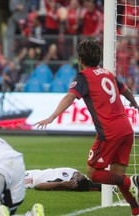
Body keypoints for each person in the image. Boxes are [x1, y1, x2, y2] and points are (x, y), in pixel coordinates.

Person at [35, 40, 139, 216]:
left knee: (93, 172)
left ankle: (132, 182)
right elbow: (126, 90)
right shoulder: (108, 74)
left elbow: (69, 97)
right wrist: (134, 103)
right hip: (126, 128)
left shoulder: (83, 77)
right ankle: (136, 210)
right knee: (117, 175)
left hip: (109, 131)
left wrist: (51, 117)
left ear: (80, 58)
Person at [25, 167, 101, 191]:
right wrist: (60, 184)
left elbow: (97, 186)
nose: (81, 174)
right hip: (30, 177)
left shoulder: (81, 177)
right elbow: (38, 186)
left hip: (32, 176)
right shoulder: (62, 178)